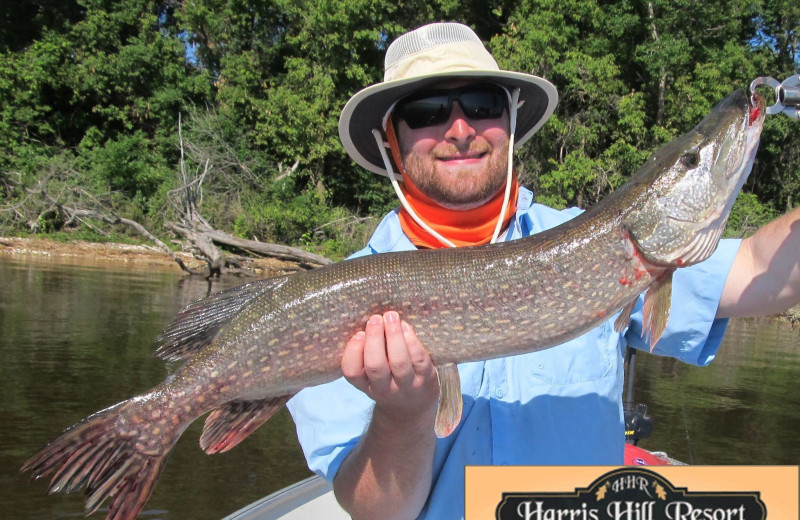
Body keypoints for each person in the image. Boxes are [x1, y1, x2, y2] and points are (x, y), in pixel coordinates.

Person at [286, 22, 800, 520]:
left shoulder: (605, 244)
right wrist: (404, 415)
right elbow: (380, 514)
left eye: (483, 105)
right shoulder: (333, 301)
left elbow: (762, 269)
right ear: (391, 141)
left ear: (509, 119)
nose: (460, 129)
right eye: (427, 111)